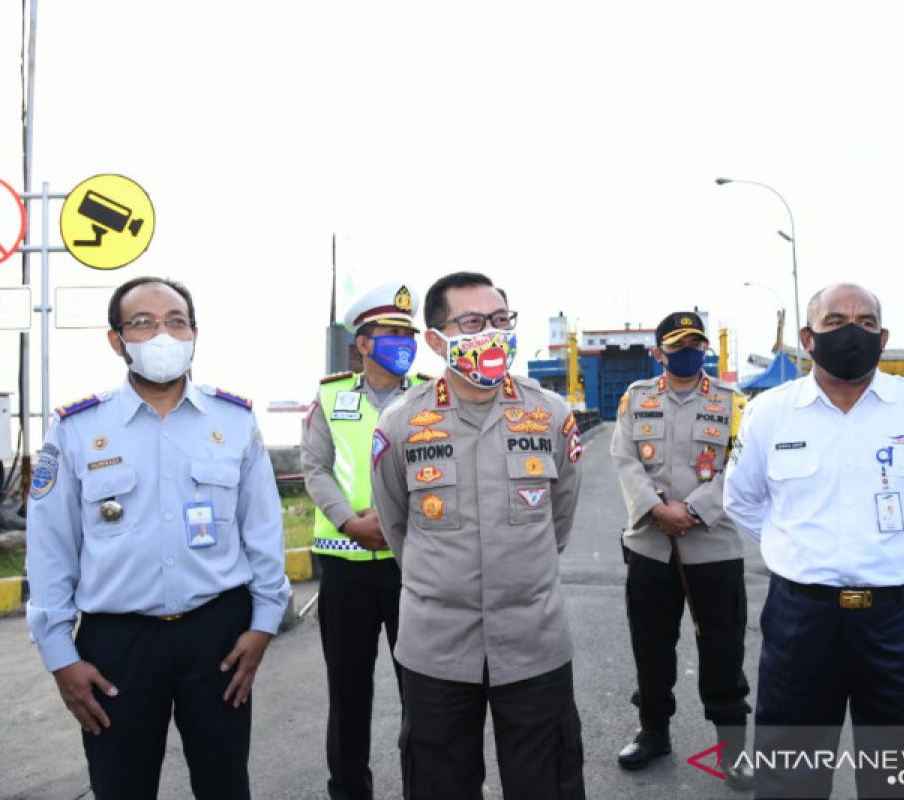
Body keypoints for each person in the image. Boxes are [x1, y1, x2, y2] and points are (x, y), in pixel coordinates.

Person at [26, 276, 291, 799]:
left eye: (176, 321)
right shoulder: (77, 429)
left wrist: (263, 627)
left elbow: (263, 532)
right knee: (121, 786)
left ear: (195, 333)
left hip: (219, 636)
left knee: (225, 784)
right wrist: (60, 656)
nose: (162, 334)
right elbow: (50, 551)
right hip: (116, 645)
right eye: (143, 323)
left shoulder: (234, 421)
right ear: (116, 340)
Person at [724, 282, 904, 798]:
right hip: (800, 621)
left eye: (864, 322)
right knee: (790, 779)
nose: (851, 332)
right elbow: (742, 500)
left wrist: (895, 551)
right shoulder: (770, 412)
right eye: (835, 322)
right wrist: (797, 552)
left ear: (883, 337)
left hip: (897, 619)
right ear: (808, 338)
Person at [371, 271, 586, 800]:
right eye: (473, 322)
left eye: (500, 321)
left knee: (547, 785)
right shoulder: (400, 424)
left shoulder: (551, 415)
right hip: (437, 648)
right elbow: (397, 526)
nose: (491, 333)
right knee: (439, 785)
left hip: (533, 642)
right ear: (437, 340)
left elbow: (559, 520)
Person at [609, 310, 754, 790]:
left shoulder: (732, 402)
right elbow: (624, 458)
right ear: (659, 352)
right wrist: (655, 509)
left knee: (723, 648)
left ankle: (732, 749)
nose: (688, 351)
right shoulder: (637, 398)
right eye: (678, 344)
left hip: (712, 544)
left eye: (696, 343)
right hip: (650, 545)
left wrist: (692, 509)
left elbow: (739, 462)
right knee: (651, 646)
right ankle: (654, 732)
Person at [301, 281, 428, 800]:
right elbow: (315, 467)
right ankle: (348, 791)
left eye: (408, 332)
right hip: (346, 564)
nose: (403, 341)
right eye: (391, 332)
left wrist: (398, 521)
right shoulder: (331, 397)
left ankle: (428, 786)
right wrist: (349, 521)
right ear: (363, 343)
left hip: (413, 565)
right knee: (348, 693)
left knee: (423, 691)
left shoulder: (428, 395)